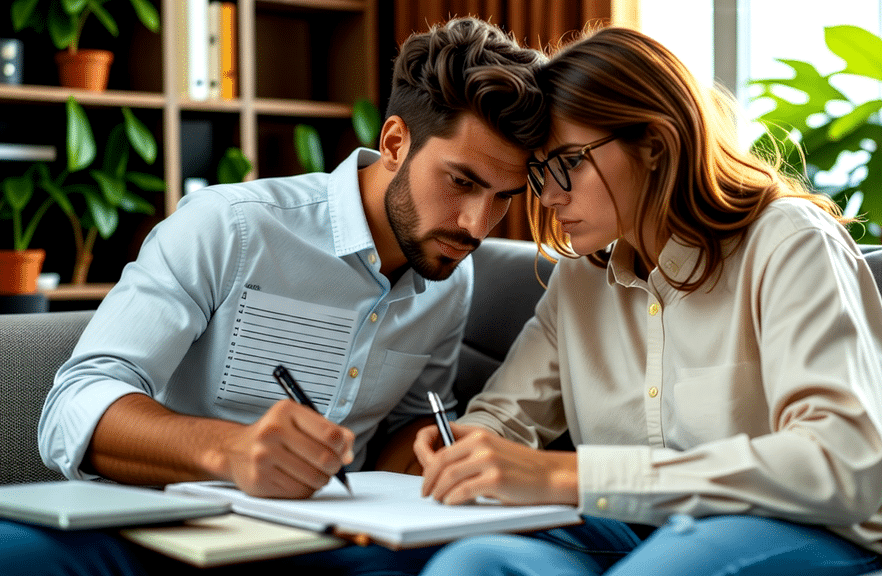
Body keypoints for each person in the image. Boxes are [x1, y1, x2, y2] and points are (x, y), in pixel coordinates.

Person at [0, 17, 546, 576]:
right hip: (162, 525)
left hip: (330, 542)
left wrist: (435, 452)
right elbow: (72, 406)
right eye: (461, 182)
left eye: (503, 196)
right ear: (395, 142)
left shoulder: (451, 277)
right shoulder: (230, 227)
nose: (478, 225)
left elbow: (404, 426)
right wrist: (229, 452)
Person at [413, 26, 882, 576]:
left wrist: (566, 477)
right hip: (632, 527)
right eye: (540, 173)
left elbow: (841, 461)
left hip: (815, 527)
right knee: (472, 564)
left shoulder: (790, 241)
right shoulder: (580, 281)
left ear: (654, 143)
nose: (551, 195)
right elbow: (502, 418)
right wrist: (469, 449)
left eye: (569, 164)